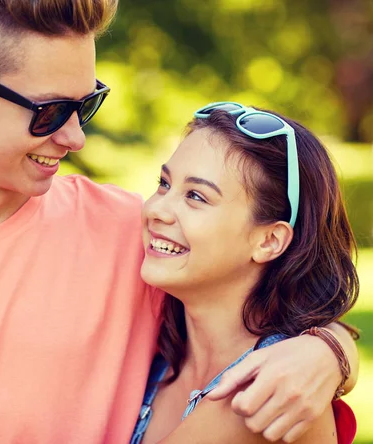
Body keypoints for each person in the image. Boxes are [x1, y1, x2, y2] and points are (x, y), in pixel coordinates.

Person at [0, 2, 359, 443]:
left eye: (86, 105)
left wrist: (324, 350)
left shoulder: (131, 235)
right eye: (49, 111)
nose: (74, 136)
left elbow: (251, 291)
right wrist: (330, 353)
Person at [130, 103, 359, 444]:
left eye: (196, 196)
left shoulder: (265, 395)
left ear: (269, 240)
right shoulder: (161, 352)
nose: (155, 209)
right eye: (164, 183)